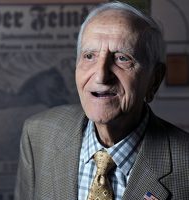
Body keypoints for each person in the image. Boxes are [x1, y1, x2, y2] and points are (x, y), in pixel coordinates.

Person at [14, 1, 189, 200]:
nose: (101, 76)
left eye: (122, 58)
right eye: (89, 56)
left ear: (154, 80)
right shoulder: (37, 134)